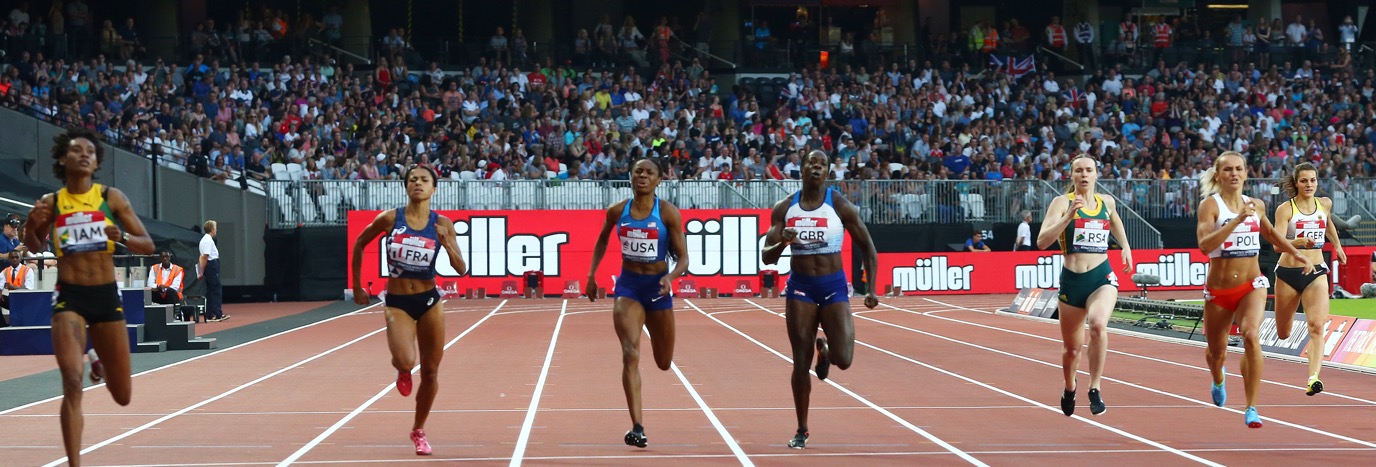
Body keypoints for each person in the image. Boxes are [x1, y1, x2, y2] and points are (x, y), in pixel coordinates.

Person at [22, 127, 156, 465]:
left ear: (96, 164)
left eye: (90, 152)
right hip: (69, 296)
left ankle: (96, 358)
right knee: (71, 381)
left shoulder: (112, 198)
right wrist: (31, 226)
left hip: (105, 296)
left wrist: (121, 236)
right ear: (62, 159)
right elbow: (34, 246)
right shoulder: (52, 203)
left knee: (122, 395)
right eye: (76, 150)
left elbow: (148, 245)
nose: (84, 154)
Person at [763, 150, 880, 449]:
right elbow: (767, 256)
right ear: (801, 169)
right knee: (800, 363)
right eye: (811, 164)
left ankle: (826, 351)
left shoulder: (838, 204)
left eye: (822, 165)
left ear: (828, 171)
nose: (816, 168)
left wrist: (871, 288)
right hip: (800, 288)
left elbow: (868, 246)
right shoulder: (785, 207)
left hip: (833, 287)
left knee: (845, 360)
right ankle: (801, 429)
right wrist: (783, 241)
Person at [351, 165, 468, 456]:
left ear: (433, 189)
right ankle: (403, 371)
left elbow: (461, 268)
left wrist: (446, 243)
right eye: (412, 179)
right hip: (398, 302)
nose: (418, 183)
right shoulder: (391, 218)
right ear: (406, 187)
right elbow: (360, 243)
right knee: (406, 361)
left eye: (424, 180)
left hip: (429, 301)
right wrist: (357, 286)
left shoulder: (443, 223)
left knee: (430, 372)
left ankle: (419, 430)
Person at [1195, 151, 1311, 428]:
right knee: (1216, 352)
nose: (1234, 174)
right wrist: (1236, 220)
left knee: (1250, 335)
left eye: (1239, 169)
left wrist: (1297, 253)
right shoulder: (1210, 206)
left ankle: (1251, 407)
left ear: (1246, 173)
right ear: (1218, 175)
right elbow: (1204, 246)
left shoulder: (1256, 205)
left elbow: (1270, 234)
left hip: (1251, 284)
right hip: (1219, 291)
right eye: (1228, 170)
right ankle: (1218, 378)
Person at [585, 158, 689, 449]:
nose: (643, 176)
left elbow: (684, 258)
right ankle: (638, 427)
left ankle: (638, 424)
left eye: (649, 172)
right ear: (630, 177)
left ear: (658, 180)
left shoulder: (667, 213)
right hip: (628, 287)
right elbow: (602, 240)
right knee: (630, 354)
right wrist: (592, 275)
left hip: (657, 288)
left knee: (664, 362)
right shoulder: (617, 211)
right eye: (638, 171)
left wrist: (670, 277)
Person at [1036, 155, 1133, 416]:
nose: (1084, 175)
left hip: (1101, 277)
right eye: (1078, 170)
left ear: (1096, 174)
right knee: (1072, 350)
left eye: (1089, 170)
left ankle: (1095, 387)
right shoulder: (1061, 202)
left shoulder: (1106, 202)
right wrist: (1068, 217)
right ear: (1072, 175)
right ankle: (1070, 387)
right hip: (1072, 282)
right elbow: (1042, 241)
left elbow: (1115, 220)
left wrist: (1125, 246)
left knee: (1099, 325)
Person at [1271, 162, 1347, 396]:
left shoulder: (1324, 204)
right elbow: (1276, 244)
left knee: (1317, 326)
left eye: (1312, 180)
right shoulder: (1286, 209)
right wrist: (1297, 242)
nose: (1309, 184)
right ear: (1296, 183)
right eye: (1304, 181)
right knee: (1283, 333)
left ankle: (1313, 378)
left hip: (1316, 272)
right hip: (1288, 273)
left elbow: (1328, 223)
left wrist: (1337, 246)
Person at [197, 220, 227, 321]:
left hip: (210, 265)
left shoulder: (204, 240)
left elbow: (201, 256)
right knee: (216, 289)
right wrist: (202, 270)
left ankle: (210, 314)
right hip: (212, 265)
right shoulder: (208, 241)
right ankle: (217, 313)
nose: (216, 230)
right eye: (215, 228)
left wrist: (200, 270)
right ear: (212, 229)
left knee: (210, 290)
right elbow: (205, 256)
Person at [1, 249, 37, 326]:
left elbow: (29, 289)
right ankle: (2, 325)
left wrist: (13, 287)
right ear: (9, 259)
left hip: (24, 301)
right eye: (12, 257)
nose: (14, 259)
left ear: (20, 258)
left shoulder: (27, 270)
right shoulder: (5, 271)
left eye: (17, 257)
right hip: (12, 299)